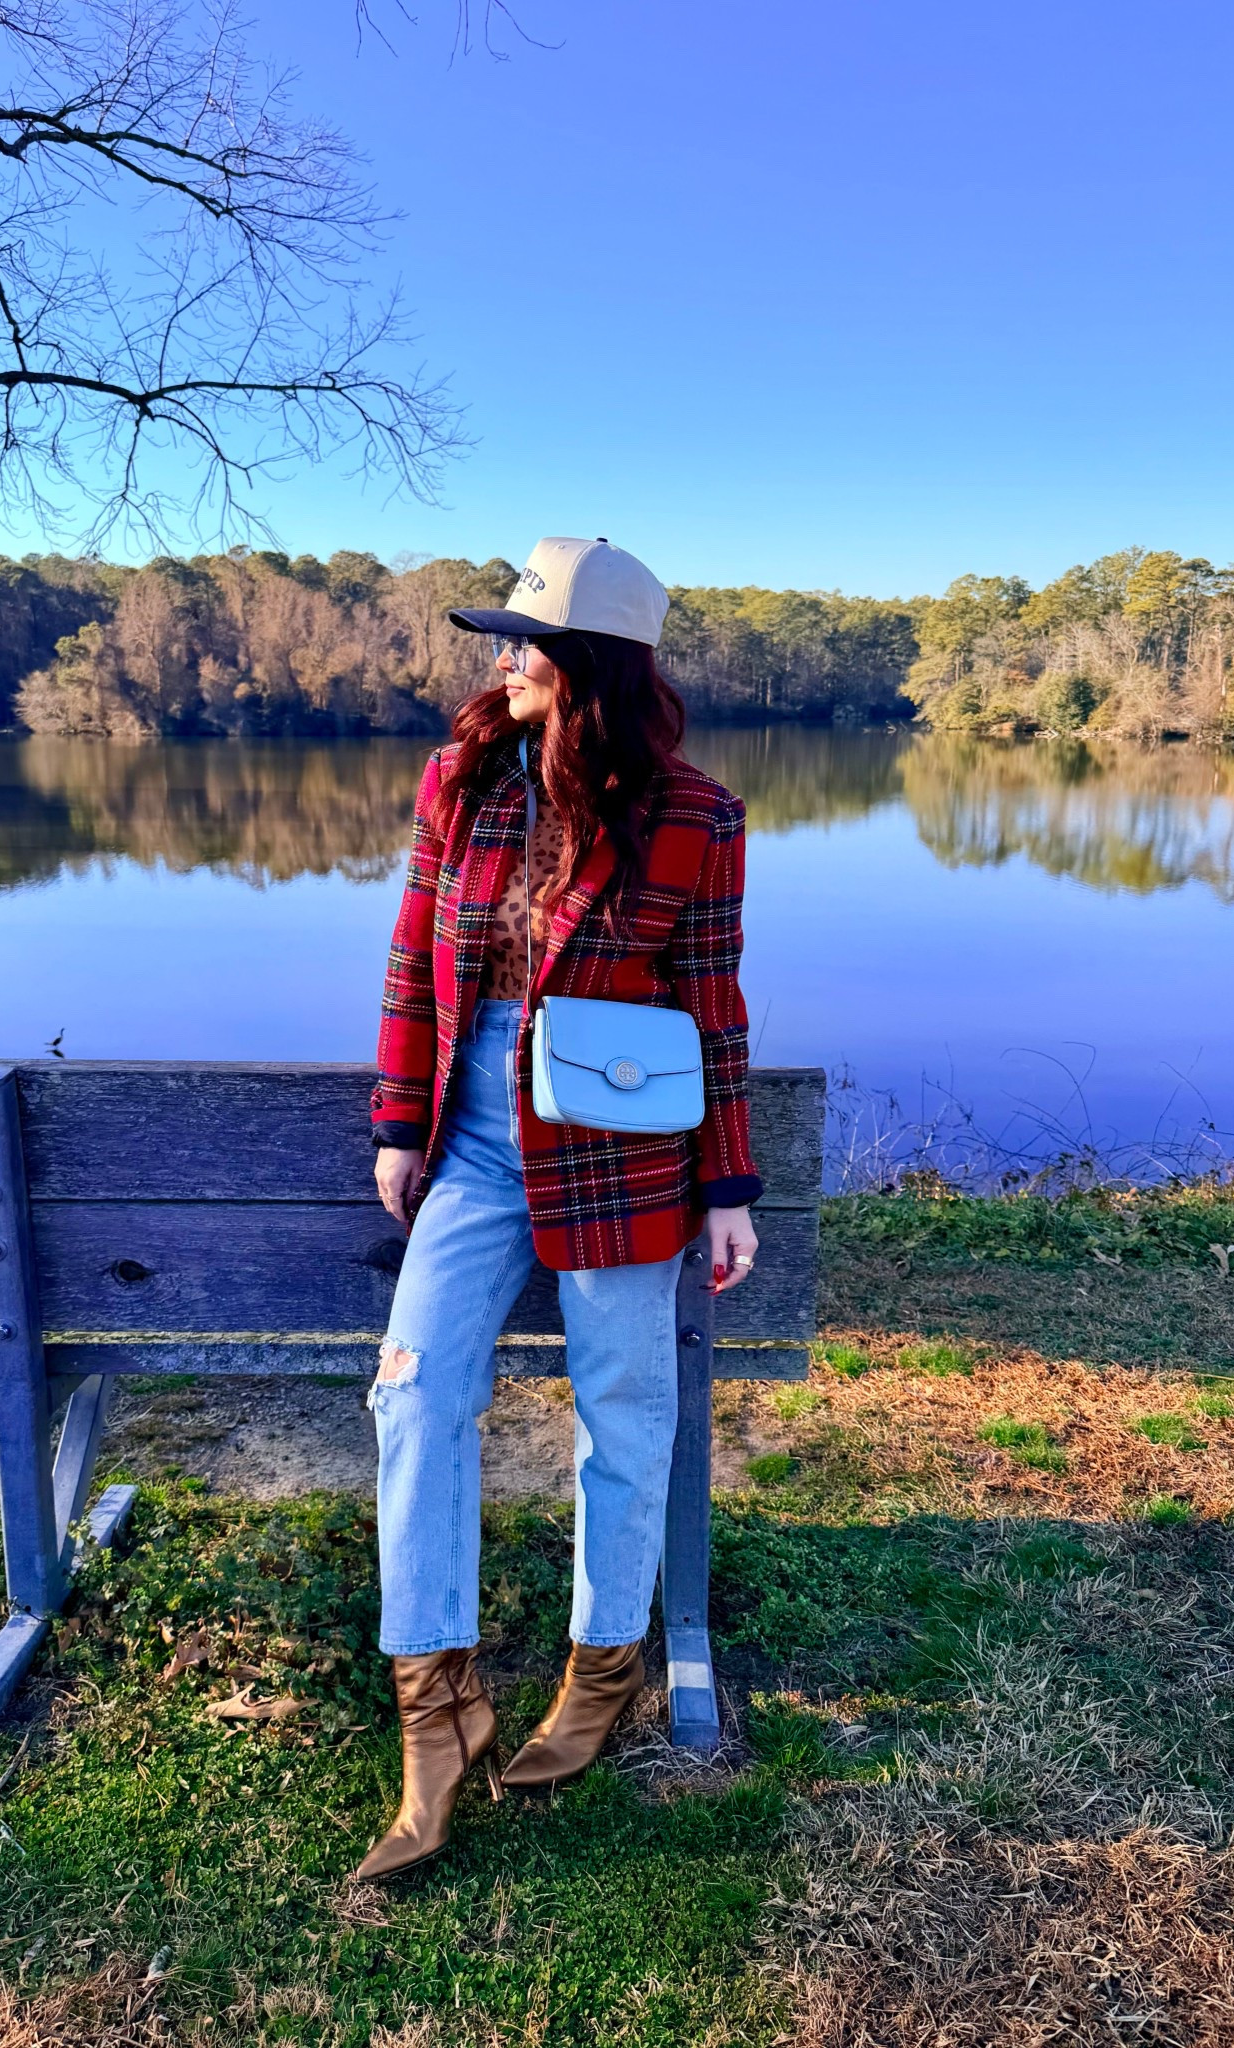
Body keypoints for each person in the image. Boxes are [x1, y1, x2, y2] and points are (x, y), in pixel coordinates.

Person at [355, 537, 761, 1880]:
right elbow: (415, 964)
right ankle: (439, 1705)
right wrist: (402, 1124)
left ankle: (599, 1676)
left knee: (624, 1414)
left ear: (585, 667)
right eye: (504, 639)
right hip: (472, 1154)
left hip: (622, 1164)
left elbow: (711, 1005)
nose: (502, 659)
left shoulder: (694, 817)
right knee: (415, 1394)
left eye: (523, 641)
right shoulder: (463, 787)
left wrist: (728, 1186)